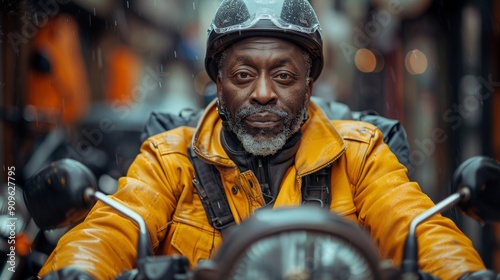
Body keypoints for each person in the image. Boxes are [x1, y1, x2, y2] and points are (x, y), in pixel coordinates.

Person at [39, 0, 491, 279]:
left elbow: (418, 225)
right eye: (242, 74)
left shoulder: (362, 152)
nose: (262, 92)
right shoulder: (168, 156)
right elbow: (110, 230)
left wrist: (465, 275)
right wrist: (77, 272)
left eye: (283, 75)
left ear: (309, 84)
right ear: (218, 81)